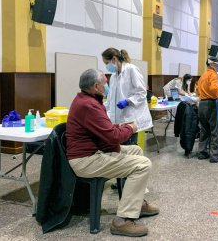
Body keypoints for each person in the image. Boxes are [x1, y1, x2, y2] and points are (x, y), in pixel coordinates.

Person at [66, 69, 159, 237]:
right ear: (96, 86)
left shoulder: (89, 100)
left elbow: (106, 130)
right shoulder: (89, 106)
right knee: (143, 164)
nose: (107, 85)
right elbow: (113, 137)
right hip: (86, 160)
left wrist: (122, 128)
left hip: (94, 152)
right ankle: (122, 220)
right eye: (105, 83)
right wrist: (130, 127)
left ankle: (137, 204)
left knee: (136, 150)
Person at [102, 48, 153, 145]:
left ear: (114, 59)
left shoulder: (131, 69)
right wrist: (101, 107)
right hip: (117, 122)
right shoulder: (113, 76)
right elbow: (111, 99)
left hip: (130, 118)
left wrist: (128, 101)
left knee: (130, 149)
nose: (106, 66)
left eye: (106, 63)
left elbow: (142, 93)